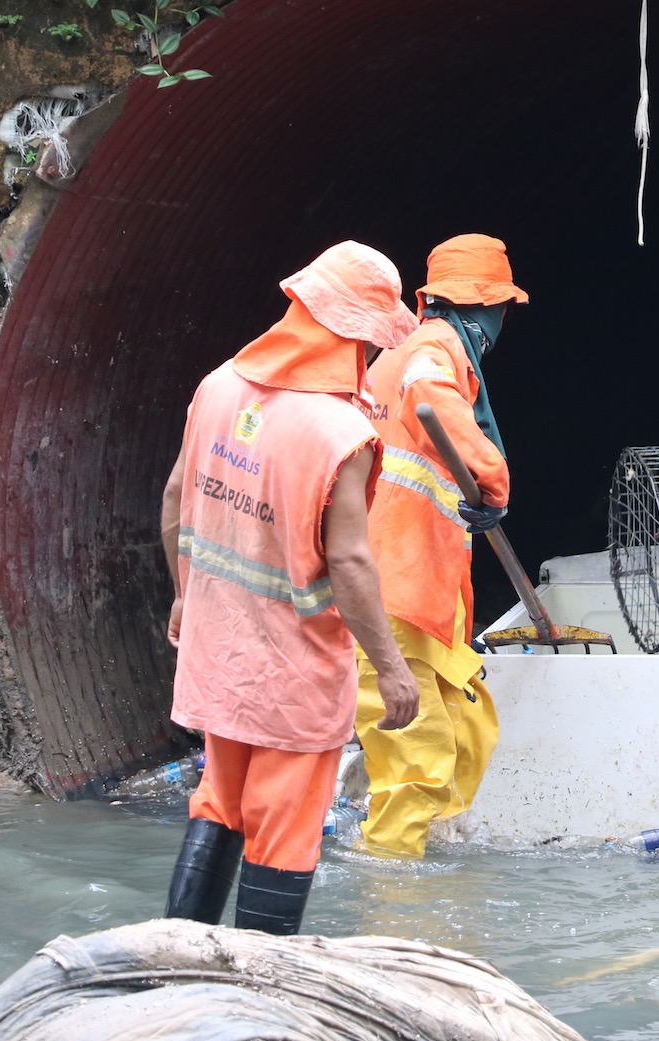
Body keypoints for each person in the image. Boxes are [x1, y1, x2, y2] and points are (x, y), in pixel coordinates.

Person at [159, 240, 422, 933]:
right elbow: (352, 563)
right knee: (284, 826)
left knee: (219, 800)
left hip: (219, 650)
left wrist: (185, 594)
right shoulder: (341, 432)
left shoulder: (217, 386)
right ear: (359, 337)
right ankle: (259, 992)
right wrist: (391, 670)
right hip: (294, 668)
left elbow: (174, 500)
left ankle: (178, 957)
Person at [351, 234, 527, 858]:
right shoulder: (434, 347)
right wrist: (491, 478)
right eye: (503, 307)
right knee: (414, 768)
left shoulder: (406, 353)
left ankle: (436, 855)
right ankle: (399, 902)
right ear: (486, 306)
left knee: (471, 729)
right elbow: (429, 395)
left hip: (423, 593)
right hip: (388, 596)